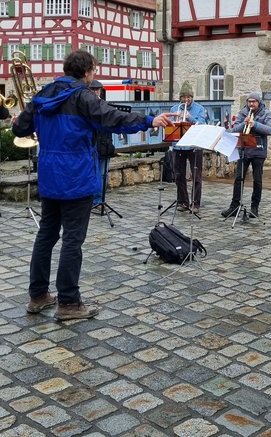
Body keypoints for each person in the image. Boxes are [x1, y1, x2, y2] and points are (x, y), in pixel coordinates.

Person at [12, 49, 172, 321]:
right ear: (87, 72)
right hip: (75, 177)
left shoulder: (43, 95)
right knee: (72, 240)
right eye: (94, 71)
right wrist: (148, 120)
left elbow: (19, 130)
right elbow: (112, 118)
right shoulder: (83, 96)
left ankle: (38, 295)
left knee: (46, 236)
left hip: (50, 176)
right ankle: (69, 303)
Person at [222, 91, 271, 218]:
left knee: (257, 180)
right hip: (244, 150)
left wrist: (254, 124)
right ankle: (234, 206)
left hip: (258, 150)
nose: (251, 104)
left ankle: (254, 208)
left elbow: (270, 129)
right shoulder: (243, 112)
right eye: (249, 101)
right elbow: (234, 128)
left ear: (258, 102)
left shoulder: (266, 113)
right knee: (238, 179)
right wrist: (244, 123)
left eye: (254, 102)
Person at [169, 81, 208, 213]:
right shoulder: (175, 108)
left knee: (196, 176)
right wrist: (176, 120)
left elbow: (202, 124)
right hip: (178, 146)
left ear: (192, 97)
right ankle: (183, 202)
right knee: (179, 175)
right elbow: (170, 126)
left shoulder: (200, 109)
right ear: (180, 98)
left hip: (194, 146)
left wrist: (189, 117)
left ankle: (195, 204)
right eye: (183, 97)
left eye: (188, 97)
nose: (186, 100)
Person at [89, 79, 116, 207]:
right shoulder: (87, 107)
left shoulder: (106, 106)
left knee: (102, 174)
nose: (95, 92)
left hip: (105, 144)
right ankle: (95, 199)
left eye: (97, 90)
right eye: (93, 90)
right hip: (93, 145)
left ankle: (99, 200)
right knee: (94, 174)